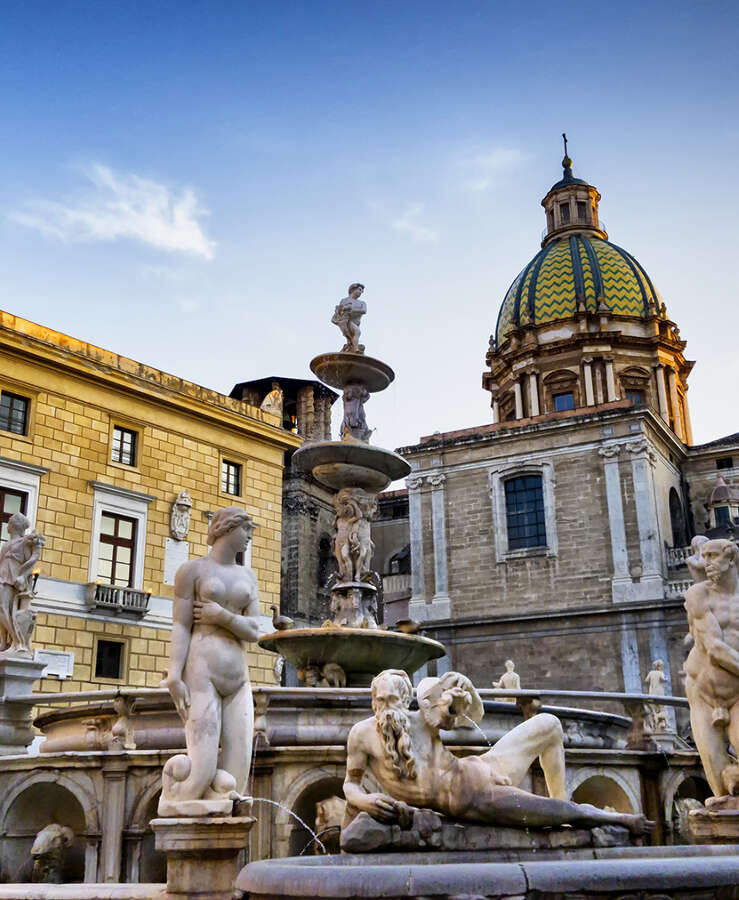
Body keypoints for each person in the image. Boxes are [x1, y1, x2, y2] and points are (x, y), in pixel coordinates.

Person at [344, 669, 653, 834]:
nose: (386, 708)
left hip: (478, 771)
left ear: (406, 698)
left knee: (549, 724)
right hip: (470, 797)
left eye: (393, 700)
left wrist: (463, 693)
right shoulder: (360, 736)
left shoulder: (422, 717)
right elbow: (350, 783)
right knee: (552, 814)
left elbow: (474, 716)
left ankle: (566, 806)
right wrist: (364, 800)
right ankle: (619, 820)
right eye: (381, 700)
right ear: (372, 701)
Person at [158, 507, 260, 815]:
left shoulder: (248, 576)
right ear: (227, 529)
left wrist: (222, 616)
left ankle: (224, 822)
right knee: (199, 773)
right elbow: (180, 625)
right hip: (202, 672)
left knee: (238, 777)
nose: (250, 537)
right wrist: (174, 676)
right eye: (247, 530)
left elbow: (254, 631)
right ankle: (175, 795)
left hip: (239, 677)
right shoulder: (192, 571)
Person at [684, 538, 739, 799]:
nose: (707, 563)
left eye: (713, 557)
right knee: (719, 790)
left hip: (737, 693)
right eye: (704, 557)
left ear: (731, 560)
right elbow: (714, 647)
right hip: (702, 692)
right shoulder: (698, 594)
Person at [0, 512, 45, 657]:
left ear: (15, 525)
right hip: (2, 575)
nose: (8, 522)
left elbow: (31, 560)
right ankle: (3, 642)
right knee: (2, 608)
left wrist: (22, 575)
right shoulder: (7, 543)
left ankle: (17, 640)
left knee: (2, 608)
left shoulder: (24, 542)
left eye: (10, 521)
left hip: (11, 577)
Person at [331, 283, 366, 353]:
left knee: (352, 337)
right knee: (357, 332)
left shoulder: (362, 303)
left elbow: (364, 311)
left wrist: (351, 309)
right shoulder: (345, 300)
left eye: (361, 291)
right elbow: (340, 311)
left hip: (355, 322)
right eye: (359, 290)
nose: (360, 292)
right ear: (353, 289)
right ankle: (356, 349)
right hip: (346, 321)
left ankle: (351, 347)